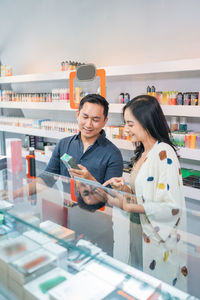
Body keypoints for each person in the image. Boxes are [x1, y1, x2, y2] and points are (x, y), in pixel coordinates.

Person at [103, 95, 188, 291]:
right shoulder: (144, 153)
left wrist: (128, 205)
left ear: (146, 122)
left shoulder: (164, 153)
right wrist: (124, 188)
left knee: (156, 289)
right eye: (125, 123)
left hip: (157, 240)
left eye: (130, 124)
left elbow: (171, 207)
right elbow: (142, 193)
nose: (126, 129)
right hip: (139, 232)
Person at [14, 94, 123, 198]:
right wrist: (16, 194)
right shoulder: (64, 144)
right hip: (67, 210)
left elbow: (112, 197)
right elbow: (46, 180)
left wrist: (89, 179)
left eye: (95, 119)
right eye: (85, 117)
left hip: (100, 214)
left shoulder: (113, 154)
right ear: (77, 115)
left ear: (105, 122)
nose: (89, 124)